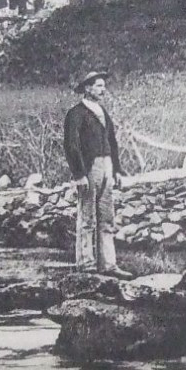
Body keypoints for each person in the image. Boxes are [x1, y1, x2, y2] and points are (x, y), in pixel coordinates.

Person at [63, 70, 129, 276]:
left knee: (107, 217)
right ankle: (86, 264)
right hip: (89, 168)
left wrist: (117, 170)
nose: (103, 90)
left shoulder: (103, 112)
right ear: (87, 88)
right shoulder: (76, 113)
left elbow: (113, 143)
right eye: (99, 86)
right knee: (87, 217)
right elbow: (71, 146)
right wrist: (79, 174)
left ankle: (108, 264)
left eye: (103, 86)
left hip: (107, 166)